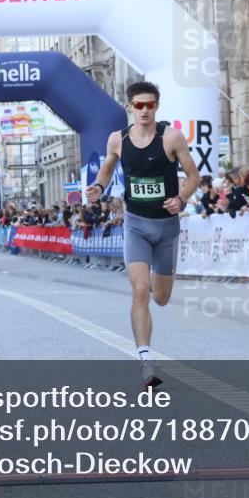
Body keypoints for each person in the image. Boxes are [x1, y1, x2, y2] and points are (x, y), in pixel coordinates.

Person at [85, 81, 200, 388]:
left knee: (161, 298)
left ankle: (150, 328)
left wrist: (182, 199)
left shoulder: (171, 137)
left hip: (166, 227)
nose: (145, 110)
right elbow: (108, 169)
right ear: (130, 107)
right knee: (139, 290)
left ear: (157, 107)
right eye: (139, 105)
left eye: (150, 105)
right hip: (135, 223)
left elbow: (193, 175)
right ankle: (146, 361)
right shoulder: (117, 139)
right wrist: (98, 186)